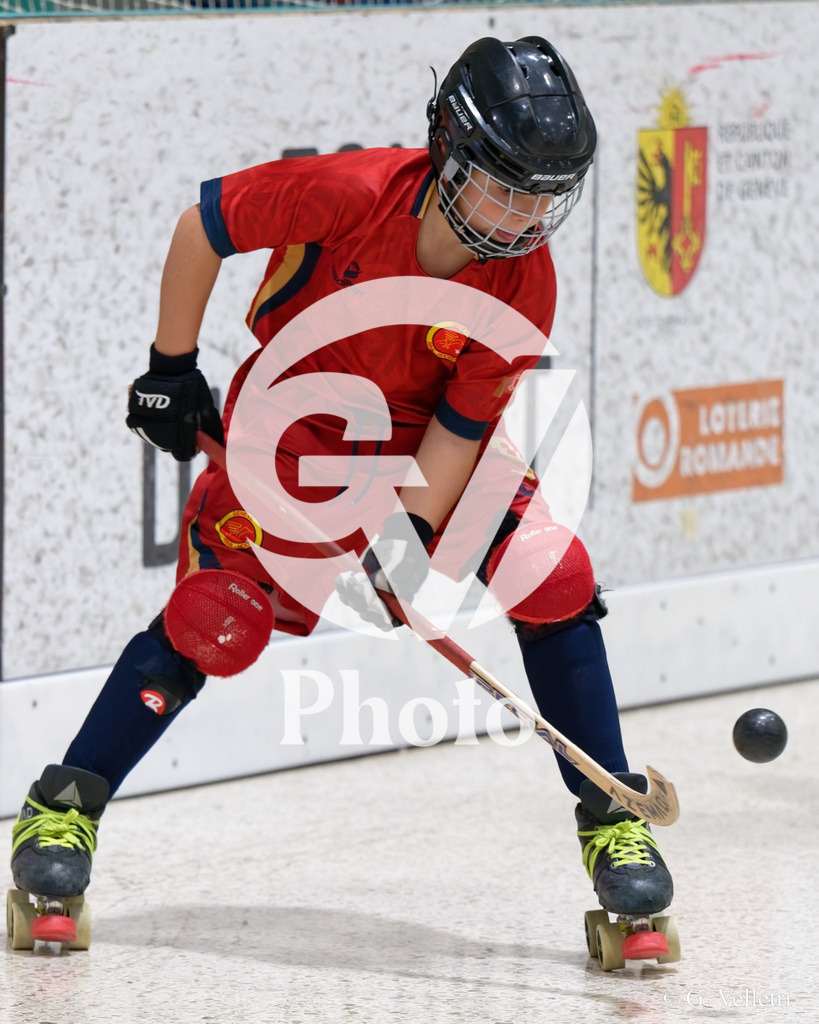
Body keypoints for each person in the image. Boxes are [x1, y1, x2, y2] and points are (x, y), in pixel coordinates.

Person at [9, 36, 673, 951]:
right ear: (451, 150)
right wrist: (169, 367)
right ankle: (60, 809)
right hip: (293, 434)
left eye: (544, 196)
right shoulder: (352, 192)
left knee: (548, 572)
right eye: (505, 185)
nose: (523, 216)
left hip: (430, 448)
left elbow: (462, 431)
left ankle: (612, 819)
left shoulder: (525, 282)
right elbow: (204, 225)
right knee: (217, 616)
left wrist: (400, 545)